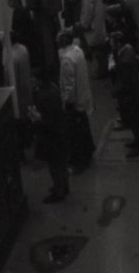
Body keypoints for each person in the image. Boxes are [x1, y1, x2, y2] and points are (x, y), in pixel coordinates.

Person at [57, 30, 95, 174]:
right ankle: (89, 150)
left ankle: (80, 163)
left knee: (75, 134)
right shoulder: (78, 51)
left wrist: (67, 103)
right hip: (84, 96)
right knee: (84, 128)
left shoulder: (66, 59)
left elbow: (68, 86)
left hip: (74, 102)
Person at [30, 75, 70, 203]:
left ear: (39, 79)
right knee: (62, 163)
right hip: (60, 130)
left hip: (50, 135)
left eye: (33, 78)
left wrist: (35, 118)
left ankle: (59, 192)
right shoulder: (54, 88)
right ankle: (65, 186)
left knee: (54, 165)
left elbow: (45, 120)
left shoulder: (42, 96)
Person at [109, 31, 139, 158]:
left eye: (112, 42)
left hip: (131, 94)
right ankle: (137, 141)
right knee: (136, 120)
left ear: (118, 43)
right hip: (135, 89)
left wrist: (115, 92)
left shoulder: (124, 61)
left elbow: (125, 83)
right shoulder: (129, 49)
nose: (110, 44)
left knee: (135, 120)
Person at [80, 0, 106, 77]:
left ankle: (100, 71)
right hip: (101, 18)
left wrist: (85, 23)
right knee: (101, 46)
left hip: (94, 21)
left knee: (96, 48)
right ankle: (103, 69)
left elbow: (88, 10)